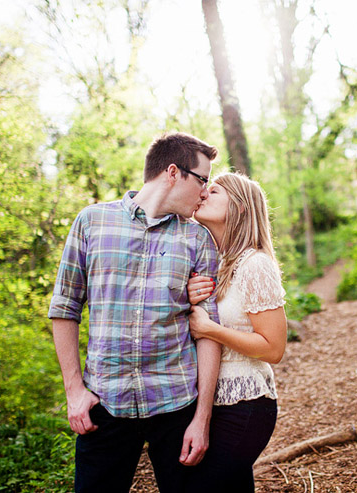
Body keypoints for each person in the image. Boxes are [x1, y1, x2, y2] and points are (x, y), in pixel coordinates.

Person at [48, 132, 223, 493]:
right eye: (203, 180)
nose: (206, 192)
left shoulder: (197, 238)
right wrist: (74, 391)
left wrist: (202, 419)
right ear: (173, 173)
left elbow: (208, 331)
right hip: (104, 406)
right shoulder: (91, 222)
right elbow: (65, 307)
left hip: (177, 407)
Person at [185, 172, 288, 492]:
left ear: (240, 208)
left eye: (214, 191)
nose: (203, 194)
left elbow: (273, 349)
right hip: (209, 402)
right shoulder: (212, 262)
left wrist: (210, 329)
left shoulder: (255, 264)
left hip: (245, 405)